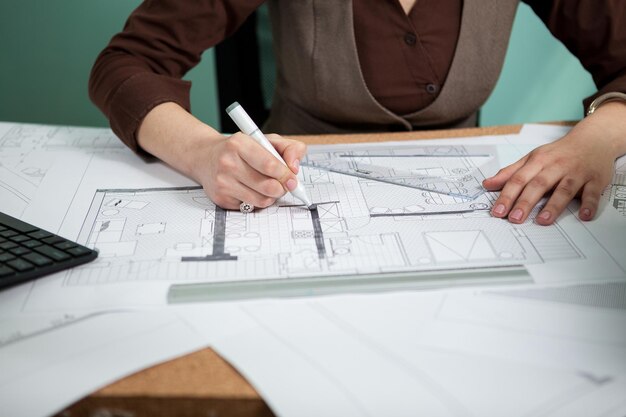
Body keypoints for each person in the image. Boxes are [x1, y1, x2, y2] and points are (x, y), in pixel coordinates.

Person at [89, 0, 626, 224]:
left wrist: (600, 136)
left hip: (474, 193)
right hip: (289, 192)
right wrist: (205, 153)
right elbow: (126, 63)